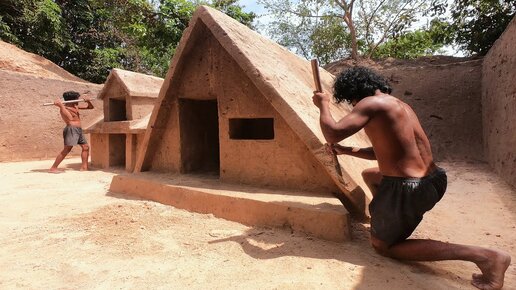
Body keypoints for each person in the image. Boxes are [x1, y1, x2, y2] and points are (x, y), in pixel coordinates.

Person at [312, 66, 511, 290]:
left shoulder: (370, 104)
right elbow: (387, 152)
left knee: (382, 246)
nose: (352, 104)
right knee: (371, 175)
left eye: (350, 99)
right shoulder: (399, 105)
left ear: (353, 92)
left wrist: (323, 104)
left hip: (410, 189)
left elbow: (331, 132)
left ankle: (486, 256)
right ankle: (387, 218)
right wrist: (346, 150)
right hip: (434, 180)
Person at [49, 91, 94, 173]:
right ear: (72, 99)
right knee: (67, 149)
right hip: (71, 129)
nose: (78, 100)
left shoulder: (75, 106)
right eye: (77, 99)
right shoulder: (64, 108)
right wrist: (61, 106)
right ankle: (53, 168)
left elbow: (90, 107)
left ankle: (84, 167)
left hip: (78, 130)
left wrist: (88, 101)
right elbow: (70, 118)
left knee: (85, 147)